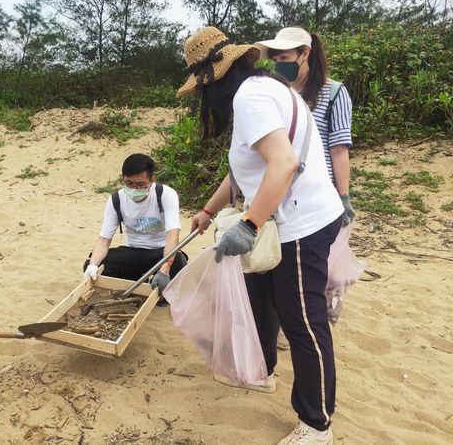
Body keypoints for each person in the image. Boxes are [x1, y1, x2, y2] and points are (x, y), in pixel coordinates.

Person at [178, 27, 343, 444]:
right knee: (261, 300)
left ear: (214, 77)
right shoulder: (262, 89)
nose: (202, 98)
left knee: (303, 322)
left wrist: (249, 225)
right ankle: (261, 370)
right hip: (280, 223)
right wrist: (209, 211)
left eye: (200, 89)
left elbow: (283, 164)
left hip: (299, 225)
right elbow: (243, 169)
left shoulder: (251, 98)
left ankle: (316, 423)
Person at [255, 27, 355, 352]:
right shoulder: (276, 93)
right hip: (280, 194)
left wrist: (344, 196)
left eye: (284, 58)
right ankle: (284, 326)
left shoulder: (334, 93)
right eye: (274, 59)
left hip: (317, 199)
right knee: (281, 265)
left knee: (314, 268)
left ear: (305, 54)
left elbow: (338, 149)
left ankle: (305, 326)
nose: (278, 65)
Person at [83, 154, 186, 304]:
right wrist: (93, 265)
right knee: (92, 264)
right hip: (133, 252)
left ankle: (156, 283)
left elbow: (173, 235)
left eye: (140, 184)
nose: (134, 189)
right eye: (129, 183)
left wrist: (165, 267)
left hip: (160, 252)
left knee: (177, 263)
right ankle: (139, 281)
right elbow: (104, 240)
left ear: (152, 180)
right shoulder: (116, 200)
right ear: (122, 179)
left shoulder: (165, 195)